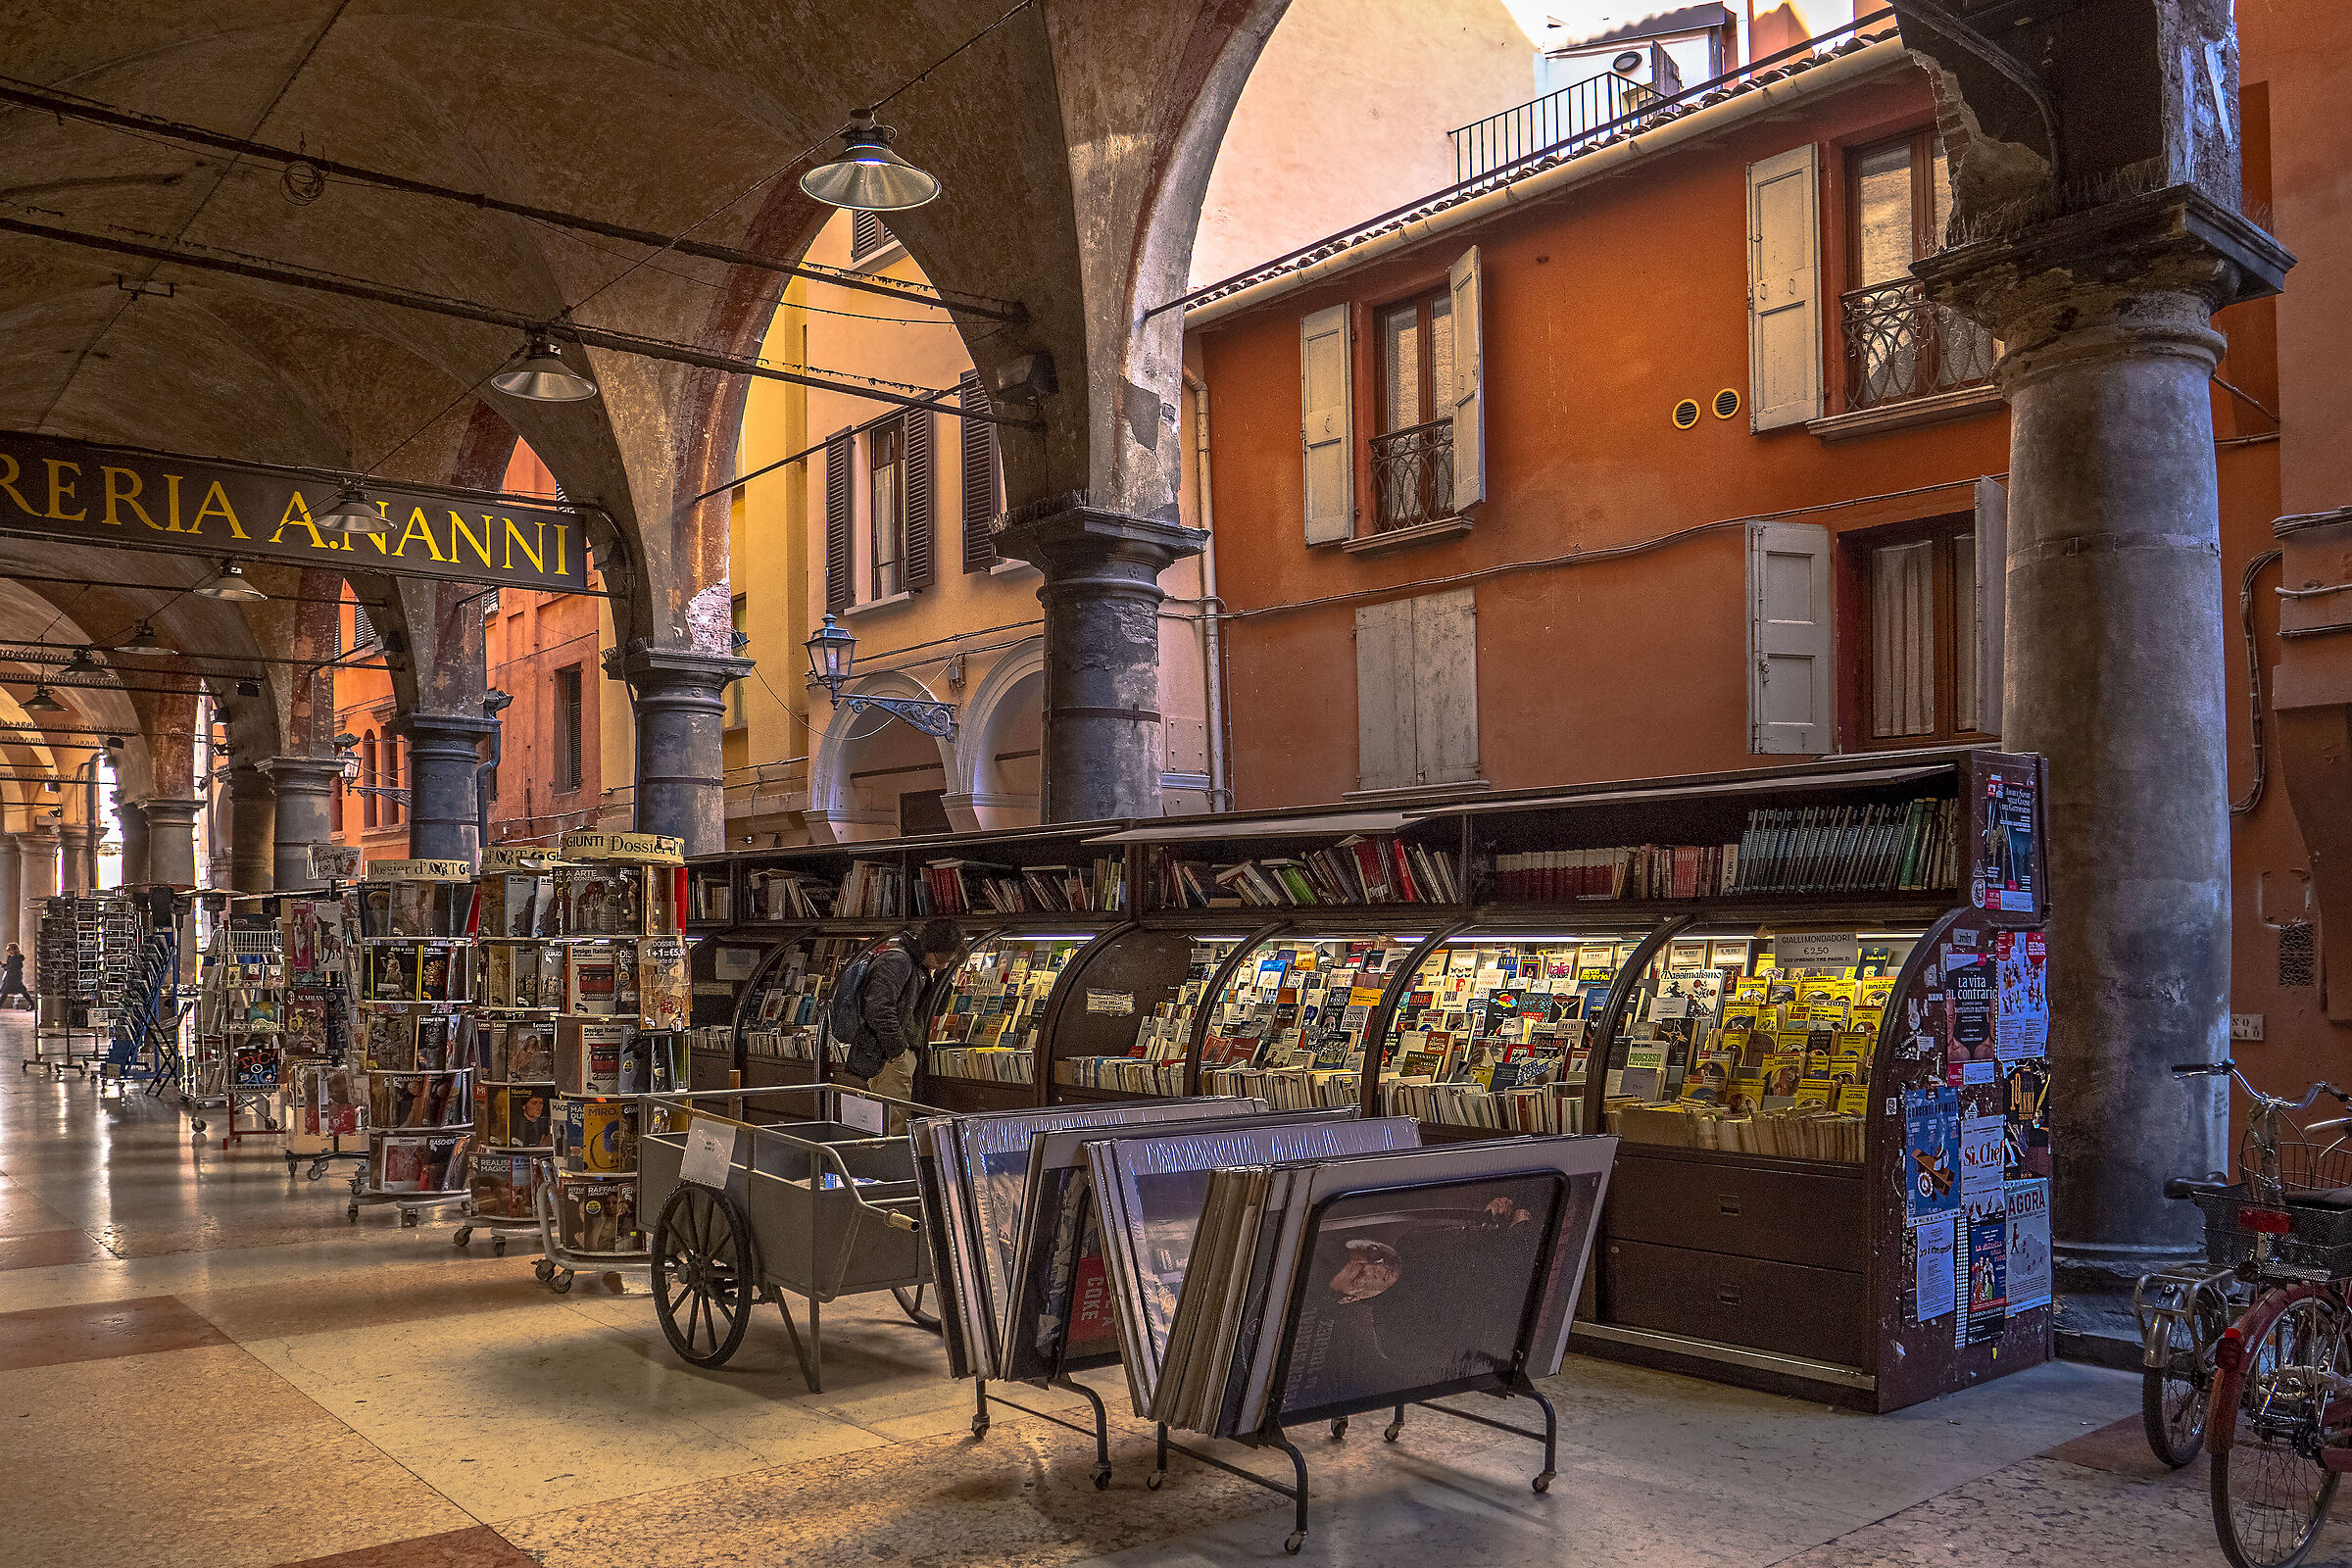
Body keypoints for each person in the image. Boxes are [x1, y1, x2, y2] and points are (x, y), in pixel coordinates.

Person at [844, 918, 960, 1133]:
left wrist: (944, 977)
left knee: (894, 1122)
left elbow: (936, 1009)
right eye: (943, 959)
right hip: (885, 1058)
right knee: (892, 1126)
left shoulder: (919, 967)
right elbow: (878, 1009)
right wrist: (898, 1053)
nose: (944, 965)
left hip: (899, 1056)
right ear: (932, 947)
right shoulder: (897, 961)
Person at [0, 944, 29, 1010]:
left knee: (5, 992)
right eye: (7, 949)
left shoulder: (17, 958)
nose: (8, 951)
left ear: (14, 949)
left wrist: (4, 966)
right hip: (10, 977)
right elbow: (9, 966)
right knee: (22, 991)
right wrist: (3, 965)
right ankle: (32, 1004)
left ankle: (32, 1004)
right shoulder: (11, 957)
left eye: (9, 949)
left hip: (15, 977)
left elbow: (12, 967)